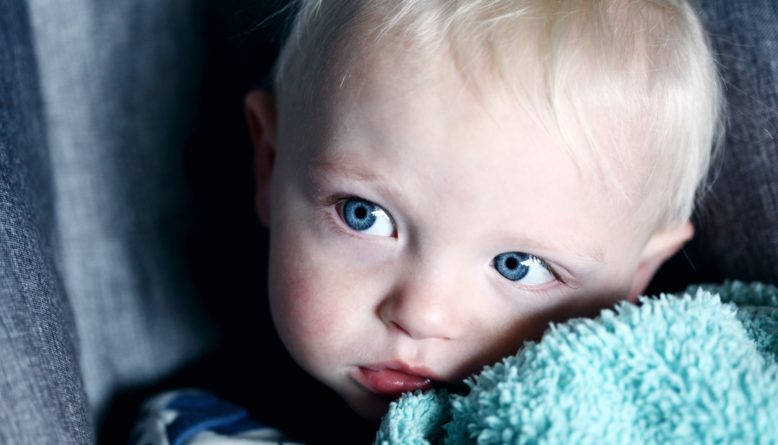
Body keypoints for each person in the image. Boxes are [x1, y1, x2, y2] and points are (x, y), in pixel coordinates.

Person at [133, 0, 723, 442]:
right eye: (364, 216)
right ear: (268, 164)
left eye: (517, 265)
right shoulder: (204, 427)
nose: (422, 315)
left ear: (637, 277)